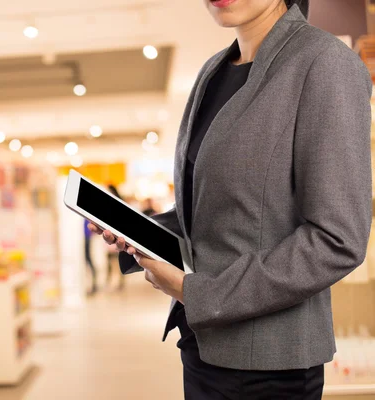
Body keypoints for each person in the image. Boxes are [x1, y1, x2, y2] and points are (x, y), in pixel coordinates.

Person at [89, 0, 372, 398]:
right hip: (202, 348)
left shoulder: (324, 63)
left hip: (271, 367)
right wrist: (142, 231)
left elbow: (336, 240)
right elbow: (216, 210)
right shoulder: (212, 72)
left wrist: (197, 293)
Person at [83, 218, 98, 295]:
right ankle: (93, 284)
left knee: (88, 260)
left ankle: (94, 284)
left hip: (86, 238)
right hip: (85, 238)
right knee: (88, 261)